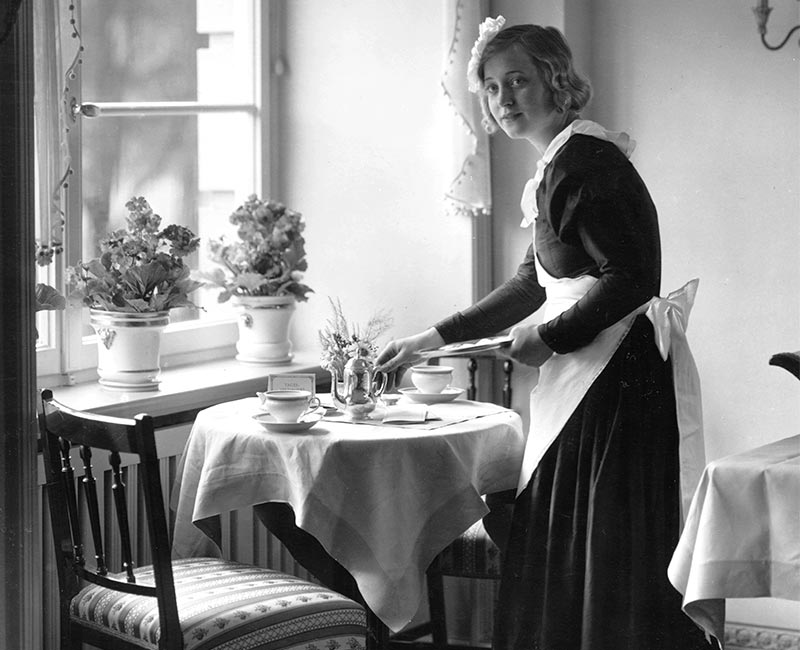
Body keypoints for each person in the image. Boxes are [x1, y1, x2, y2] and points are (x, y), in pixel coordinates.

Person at [376, 18, 709, 650]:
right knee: (573, 543)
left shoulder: (588, 160)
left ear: (555, 81)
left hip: (614, 378)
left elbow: (633, 277)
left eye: (519, 81)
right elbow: (530, 285)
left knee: (598, 546)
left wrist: (548, 339)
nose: (505, 100)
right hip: (589, 372)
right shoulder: (557, 165)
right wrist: (430, 338)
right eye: (493, 88)